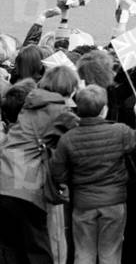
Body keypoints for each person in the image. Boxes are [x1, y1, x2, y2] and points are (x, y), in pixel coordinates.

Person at [49, 85, 136, 264]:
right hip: (114, 202)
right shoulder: (120, 132)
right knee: (110, 252)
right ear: (105, 110)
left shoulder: (68, 138)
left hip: (83, 203)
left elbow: (57, 171)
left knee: (83, 252)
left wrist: (66, 181)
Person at [0, 66, 79, 264]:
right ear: (70, 87)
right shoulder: (58, 109)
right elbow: (81, 132)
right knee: (37, 248)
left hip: (4, 176)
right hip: (25, 182)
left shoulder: (33, 102)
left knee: (11, 247)